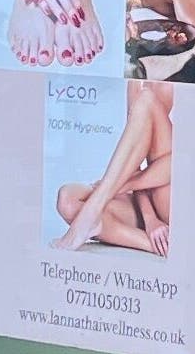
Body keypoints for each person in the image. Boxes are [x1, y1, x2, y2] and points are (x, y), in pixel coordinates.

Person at [54, 79, 175, 255]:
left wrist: (123, 185)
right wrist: (150, 219)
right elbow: (133, 156)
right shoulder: (137, 82)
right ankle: (158, 245)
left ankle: (91, 214)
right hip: (146, 194)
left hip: (174, 197)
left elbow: (182, 162)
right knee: (68, 200)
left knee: (147, 99)